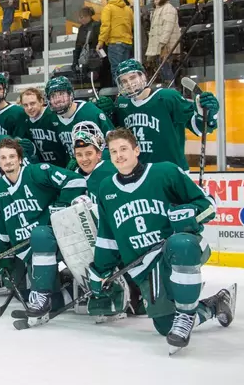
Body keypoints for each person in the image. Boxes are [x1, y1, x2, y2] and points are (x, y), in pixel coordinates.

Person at [90, 128, 235, 353]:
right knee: (165, 326)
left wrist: (190, 214)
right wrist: (100, 271)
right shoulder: (106, 188)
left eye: (124, 149)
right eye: (113, 151)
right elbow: (107, 235)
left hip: (176, 251)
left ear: (136, 150)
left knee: (180, 244)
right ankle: (216, 304)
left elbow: (208, 205)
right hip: (144, 266)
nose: (119, 155)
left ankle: (186, 315)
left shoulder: (165, 172)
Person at [0, 138, 86, 319]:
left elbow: (75, 181)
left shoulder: (37, 172)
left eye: (12, 156)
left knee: (40, 235)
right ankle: (72, 291)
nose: (8, 161)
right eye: (3, 158)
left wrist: (59, 208)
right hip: (27, 250)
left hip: (55, 238)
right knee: (42, 300)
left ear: (20, 158)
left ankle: (43, 293)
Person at [97, 59, 219, 171]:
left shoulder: (168, 97)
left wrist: (209, 114)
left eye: (132, 77)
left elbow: (199, 128)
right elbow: (114, 137)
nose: (129, 83)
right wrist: (107, 114)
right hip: (138, 174)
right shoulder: (122, 103)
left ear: (143, 76)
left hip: (171, 173)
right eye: (124, 81)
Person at [44, 76, 114, 159]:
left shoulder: (91, 112)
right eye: (53, 96)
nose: (58, 100)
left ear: (71, 94)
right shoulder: (51, 117)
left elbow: (113, 143)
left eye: (62, 94)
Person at [20, 87, 68, 167]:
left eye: (32, 103)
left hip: (62, 165)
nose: (29, 108)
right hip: (42, 167)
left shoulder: (54, 115)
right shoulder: (24, 120)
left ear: (41, 101)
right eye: (25, 105)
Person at [97, 0, 134, 83]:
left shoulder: (108, 8)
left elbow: (105, 26)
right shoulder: (128, 9)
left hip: (115, 43)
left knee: (116, 70)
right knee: (126, 70)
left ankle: (119, 92)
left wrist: (101, 41)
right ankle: (128, 90)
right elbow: (133, 25)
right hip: (128, 42)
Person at [145, 0, 179, 85]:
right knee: (163, 69)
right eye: (154, 0)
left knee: (166, 69)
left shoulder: (168, 9)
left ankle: (172, 89)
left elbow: (167, 28)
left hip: (166, 46)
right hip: (161, 45)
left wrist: (163, 43)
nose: (155, 1)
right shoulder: (158, 10)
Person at [72, 6, 102, 77]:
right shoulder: (81, 28)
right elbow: (78, 46)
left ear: (88, 16)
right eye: (79, 17)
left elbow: (101, 42)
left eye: (82, 17)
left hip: (96, 58)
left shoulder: (96, 25)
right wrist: (75, 61)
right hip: (86, 59)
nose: (80, 20)